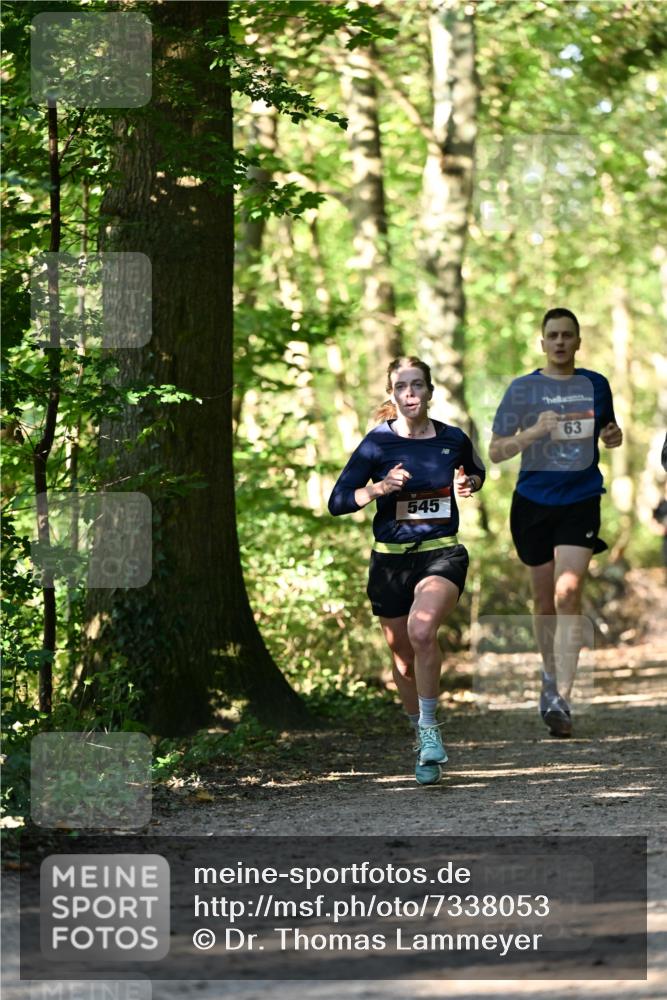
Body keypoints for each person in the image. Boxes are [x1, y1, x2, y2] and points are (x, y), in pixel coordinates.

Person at [328, 356, 485, 785]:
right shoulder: (377, 444)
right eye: (402, 386)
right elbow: (337, 501)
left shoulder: (452, 439)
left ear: (430, 392)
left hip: (441, 554)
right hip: (390, 562)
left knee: (421, 631)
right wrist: (377, 488)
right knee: (401, 658)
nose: (410, 393)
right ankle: (420, 739)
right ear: (393, 394)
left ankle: (432, 730)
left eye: (418, 385)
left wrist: (467, 485)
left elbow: (476, 473)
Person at [489, 308, 623, 737]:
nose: (561, 342)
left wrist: (611, 436)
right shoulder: (524, 389)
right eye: (553, 336)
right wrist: (532, 434)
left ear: (578, 342)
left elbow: (607, 429)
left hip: (580, 499)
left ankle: (561, 698)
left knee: (569, 594)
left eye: (568, 335)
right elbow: (495, 451)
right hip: (532, 502)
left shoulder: (595, 385)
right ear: (542, 343)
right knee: (544, 601)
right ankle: (549, 679)